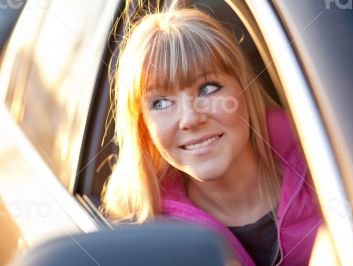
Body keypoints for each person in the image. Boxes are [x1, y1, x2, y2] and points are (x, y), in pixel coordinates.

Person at [101, 3, 322, 265]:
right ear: (143, 128)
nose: (191, 119)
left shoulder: (337, 176)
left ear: (244, 90)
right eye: (160, 103)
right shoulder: (149, 237)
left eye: (207, 88)